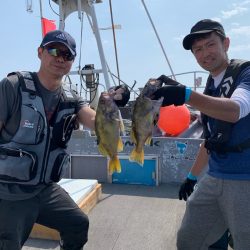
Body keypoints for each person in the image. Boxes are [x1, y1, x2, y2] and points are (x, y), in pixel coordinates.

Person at [0, 30, 130, 250]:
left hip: (44, 189)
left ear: (72, 61)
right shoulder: (13, 86)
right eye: (54, 50)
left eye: (67, 55)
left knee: (77, 224)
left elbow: (98, 124)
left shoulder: (71, 98)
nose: (60, 58)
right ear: (40, 52)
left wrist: (112, 103)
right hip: (9, 192)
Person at [151, 19, 250, 250]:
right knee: (189, 240)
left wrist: (186, 95)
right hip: (213, 178)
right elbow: (211, 140)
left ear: (226, 43)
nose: (205, 53)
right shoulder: (211, 86)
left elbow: (236, 110)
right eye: (198, 49)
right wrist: (192, 177)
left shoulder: (245, 73)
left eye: (210, 44)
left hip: (245, 181)